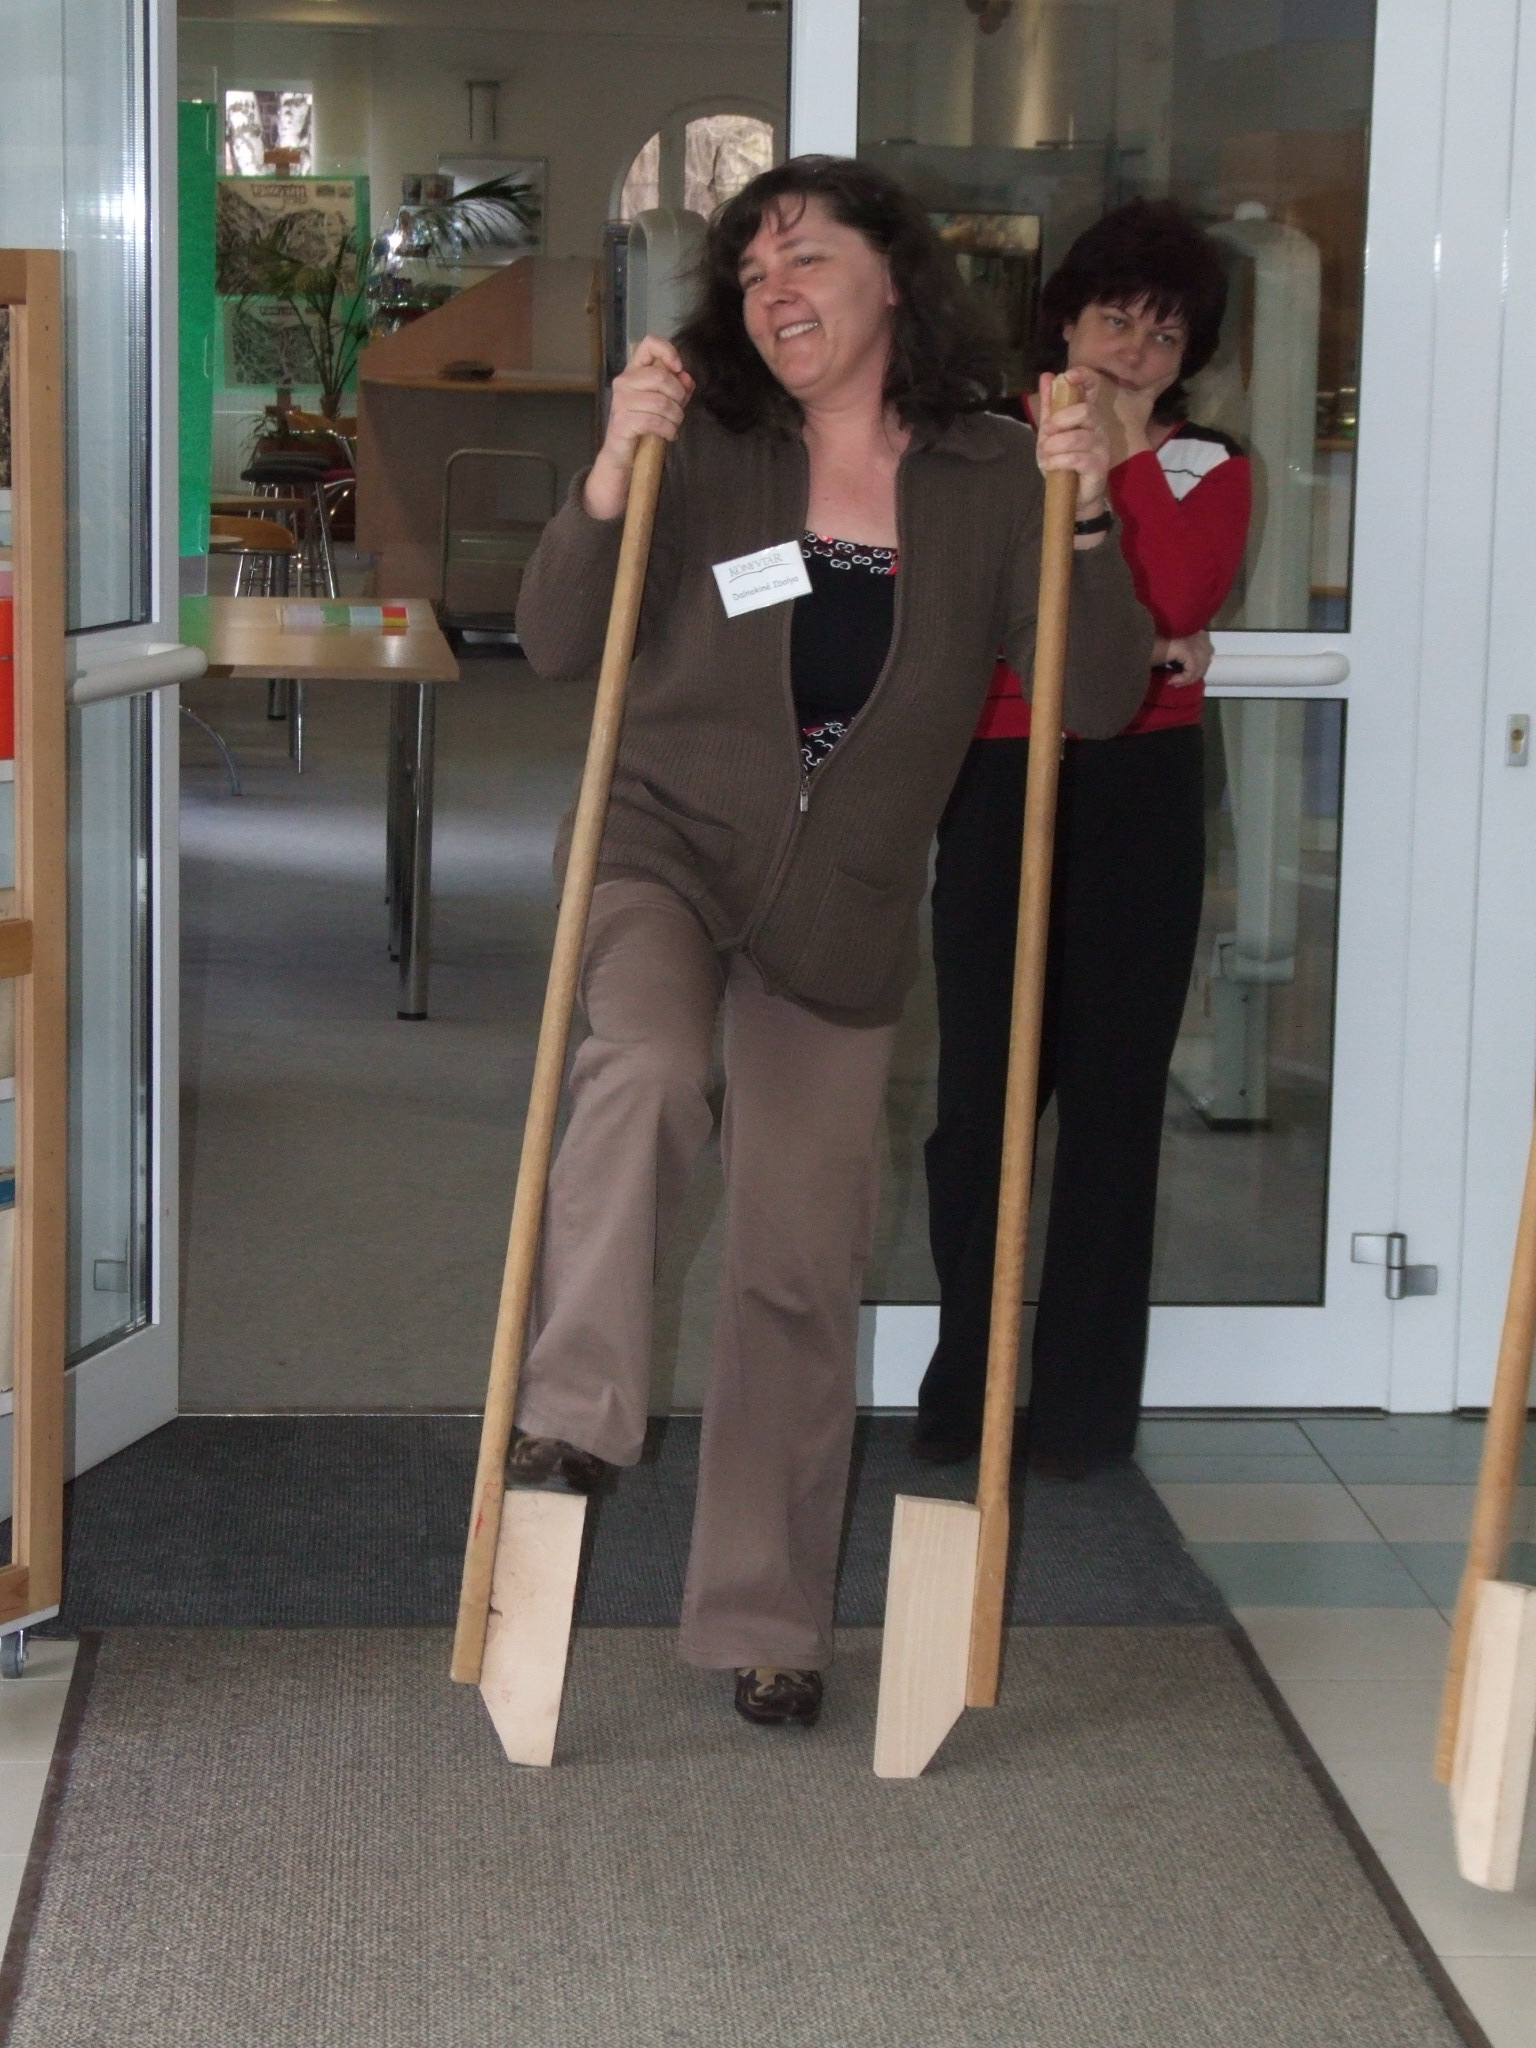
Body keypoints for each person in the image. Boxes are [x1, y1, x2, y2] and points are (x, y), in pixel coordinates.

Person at [510, 156, 1153, 1727]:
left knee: (797, 1271)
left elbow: (1097, 694)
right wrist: (608, 475)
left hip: (842, 912)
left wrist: (1084, 518)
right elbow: (556, 639)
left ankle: (767, 1618)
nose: (771, 292)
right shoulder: (710, 444)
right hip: (662, 848)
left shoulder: (992, 474)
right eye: (749, 274)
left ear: (892, 275)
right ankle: (576, 1409)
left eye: (802, 259)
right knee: (648, 1064)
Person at [914, 198, 1252, 1475]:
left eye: (1165, 335)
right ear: (1065, 319)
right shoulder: (984, 443)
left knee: (1114, 1108)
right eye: (1117, 319)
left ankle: (1082, 1415)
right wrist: (1139, 631)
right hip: (1004, 771)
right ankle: (966, 1389)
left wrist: (1115, 464)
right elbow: (974, 605)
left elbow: (1178, 594)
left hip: (1144, 787)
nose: (1134, 351)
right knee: (981, 1104)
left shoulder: (1204, 463)